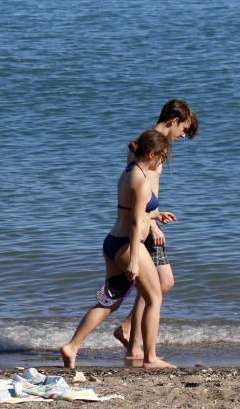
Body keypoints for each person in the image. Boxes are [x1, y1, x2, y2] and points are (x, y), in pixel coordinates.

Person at [60, 129, 176, 370]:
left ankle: (72, 347)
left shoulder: (129, 171)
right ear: (152, 153)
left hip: (112, 241)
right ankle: (150, 358)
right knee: (154, 298)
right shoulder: (143, 180)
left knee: (111, 301)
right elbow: (135, 223)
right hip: (127, 245)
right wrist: (134, 259)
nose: (163, 161)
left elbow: (133, 209)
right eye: (162, 157)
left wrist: (155, 214)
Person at [114, 99, 199, 363]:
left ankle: (131, 340)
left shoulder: (151, 144)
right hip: (144, 226)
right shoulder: (148, 147)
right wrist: (151, 225)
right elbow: (138, 190)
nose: (182, 136)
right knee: (160, 284)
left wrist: (156, 215)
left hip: (150, 219)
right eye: (183, 130)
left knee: (156, 285)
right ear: (174, 121)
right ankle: (132, 337)